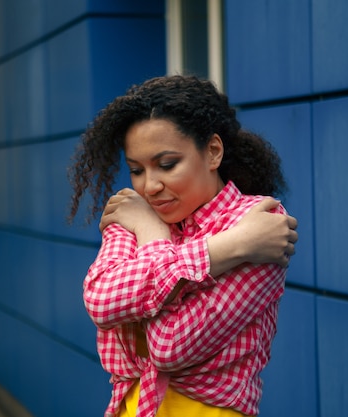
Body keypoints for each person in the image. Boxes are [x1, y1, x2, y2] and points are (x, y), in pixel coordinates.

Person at [68, 75, 298, 417]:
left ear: (213, 152)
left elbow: (169, 347)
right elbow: (101, 301)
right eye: (136, 169)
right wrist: (225, 249)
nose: (150, 186)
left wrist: (151, 239)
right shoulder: (139, 216)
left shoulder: (258, 224)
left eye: (167, 164)